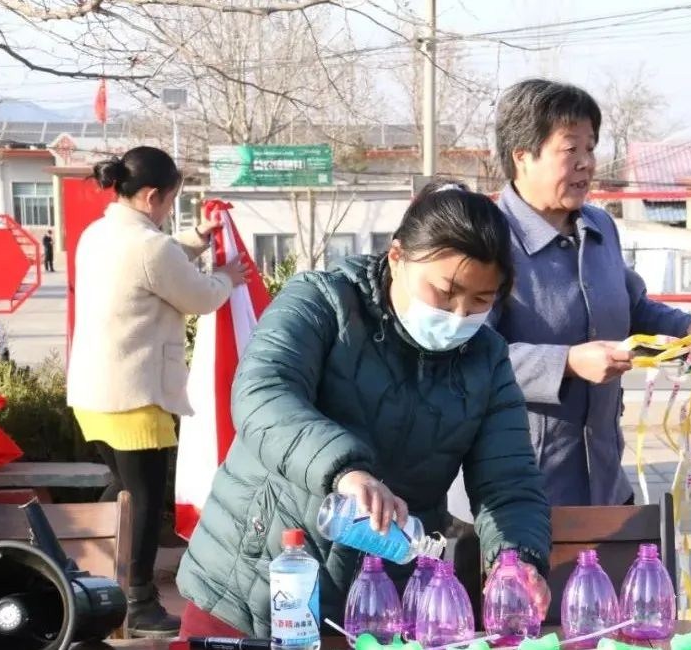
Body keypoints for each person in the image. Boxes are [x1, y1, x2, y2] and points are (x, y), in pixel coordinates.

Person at [175, 180, 551, 639]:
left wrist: (516, 560)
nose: (457, 315)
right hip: (254, 581)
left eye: (480, 301)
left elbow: (507, 481)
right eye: (444, 292)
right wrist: (347, 472)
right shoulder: (324, 302)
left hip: (379, 606)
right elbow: (262, 393)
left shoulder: (486, 360)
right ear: (397, 258)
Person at [450, 79, 691, 514]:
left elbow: (632, 306)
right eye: (570, 150)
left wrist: (688, 327)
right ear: (522, 156)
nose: (586, 164)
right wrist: (568, 363)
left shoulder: (600, 228)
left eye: (591, 149)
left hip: (605, 478)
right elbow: (465, 354)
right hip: (522, 490)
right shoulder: (485, 238)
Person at [66, 146, 249, 638]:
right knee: (145, 503)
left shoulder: (98, 233)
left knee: (121, 494)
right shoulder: (151, 248)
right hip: (135, 396)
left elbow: (160, 261)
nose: (170, 209)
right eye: (170, 201)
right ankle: (139, 601)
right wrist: (227, 279)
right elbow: (198, 295)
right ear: (151, 196)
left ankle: (89, 578)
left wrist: (193, 240)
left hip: (93, 393)